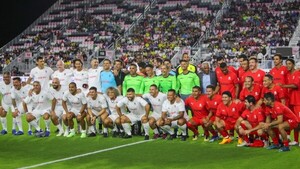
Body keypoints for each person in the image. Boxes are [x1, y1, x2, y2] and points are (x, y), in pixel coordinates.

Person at [281, 58, 300, 146]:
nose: (287, 65)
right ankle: (295, 140)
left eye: (289, 63)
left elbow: (295, 85)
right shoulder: (288, 74)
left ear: (293, 64)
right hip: (291, 100)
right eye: (286, 64)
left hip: (298, 101)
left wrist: (283, 86)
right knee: (295, 121)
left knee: (299, 121)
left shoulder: (297, 73)